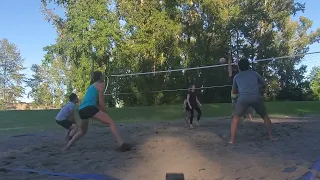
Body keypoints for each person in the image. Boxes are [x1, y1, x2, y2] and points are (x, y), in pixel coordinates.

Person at [62, 71, 131, 152]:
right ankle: (121, 143)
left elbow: (93, 101)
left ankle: (67, 147)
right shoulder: (100, 85)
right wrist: (104, 111)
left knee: (82, 131)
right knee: (111, 122)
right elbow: (101, 101)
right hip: (89, 108)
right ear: (100, 77)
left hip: (81, 110)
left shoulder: (91, 86)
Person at [229, 58, 274, 144]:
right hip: (256, 97)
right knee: (265, 116)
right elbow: (264, 84)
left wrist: (243, 89)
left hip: (243, 99)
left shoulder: (237, 76)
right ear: (248, 65)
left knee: (235, 118)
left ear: (239, 67)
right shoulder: (255, 74)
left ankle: (232, 140)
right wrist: (257, 87)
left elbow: (234, 91)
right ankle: (271, 136)